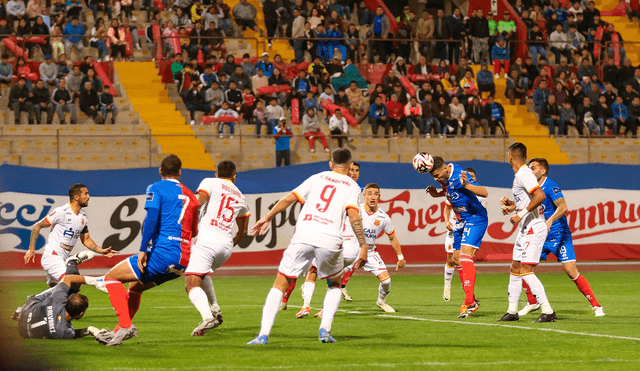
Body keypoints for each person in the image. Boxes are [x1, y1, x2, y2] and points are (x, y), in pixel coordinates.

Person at [248, 148, 367, 344]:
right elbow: (353, 215)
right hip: (330, 239)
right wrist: (363, 245)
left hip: (304, 234)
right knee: (335, 284)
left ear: (331, 164)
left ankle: (263, 334)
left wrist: (267, 217)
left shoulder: (318, 177)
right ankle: (324, 330)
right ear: (349, 166)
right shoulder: (352, 186)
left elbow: (289, 198)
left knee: (281, 283)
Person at [95, 155, 199, 346]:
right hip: (183, 260)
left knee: (111, 277)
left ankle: (126, 325)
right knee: (135, 287)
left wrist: (144, 250)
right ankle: (120, 329)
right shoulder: (192, 197)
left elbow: (151, 218)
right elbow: (194, 231)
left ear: (160, 171)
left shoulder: (156, 188)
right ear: (180, 172)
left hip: (163, 253)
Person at [513, 158, 605, 317]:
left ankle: (596, 306)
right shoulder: (531, 187)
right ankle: (532, 302)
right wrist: (510, 206)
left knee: (571, 272)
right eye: (528, 168)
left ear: (543, 171)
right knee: (524, 267)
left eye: (533, 168)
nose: (530, 170)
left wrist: (549, 220)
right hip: (540, 234)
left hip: (558, 234)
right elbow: (529, 204)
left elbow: (563, 207)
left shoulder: (550, 185)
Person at [185, 161, 250, 336]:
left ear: (216, 174)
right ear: (234, 177)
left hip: (207, 241)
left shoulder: (210, 182)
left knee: (191, 284)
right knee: (201, 272)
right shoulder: (241, 196)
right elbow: (243, 231)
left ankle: (207, 318)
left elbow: (198, 202)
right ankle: (214, 307)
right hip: (226, 246)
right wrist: (229, 244)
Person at [498, 143, 556, 323]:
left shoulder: (523, 174)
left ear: (510, 156)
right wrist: (512, 206)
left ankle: (547, 311)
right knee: (515, 268)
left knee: (526, 270)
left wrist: (520, 214)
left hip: (534, 226)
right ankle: (512, 311)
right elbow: (528, 199)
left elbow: (540, 196)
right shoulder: (520, 175)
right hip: (525, 227)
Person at [23, 183, 115, 290]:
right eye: (86, 194)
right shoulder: (61, 212)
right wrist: (31, 249)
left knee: (56, 293)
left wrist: (101, 251)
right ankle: (96, 281)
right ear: (76, 197)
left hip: (62, 259)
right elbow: (37, 226)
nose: (89, 197)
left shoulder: (83, 217)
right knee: (74, 285)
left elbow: (86, 239)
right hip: (52, 256)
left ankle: (31, 304)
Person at [429, 157, 488, 318]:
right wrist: (438, 194)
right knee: (455, 259)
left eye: (436, 175)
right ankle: (473, 300)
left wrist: (466, 184)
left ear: (444, 169)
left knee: (464, 256)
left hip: (475, 219)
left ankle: (468, 301)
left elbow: (484, 192)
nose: (436, 179)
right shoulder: (446, 177)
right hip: (460, 221)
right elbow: (451, 191)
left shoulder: (460, 174)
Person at [13, 258, 107, 340]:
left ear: (66, 301)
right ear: (80, 314)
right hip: (24, 332)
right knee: (72, 287)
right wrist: (91, 330)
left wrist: (94, 281)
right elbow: (74, 334)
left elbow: (67, 278)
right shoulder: (63, 332)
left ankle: (72, 263)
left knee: (73, 286)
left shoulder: (58, 300)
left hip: (26, 310)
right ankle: (72, 261)